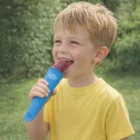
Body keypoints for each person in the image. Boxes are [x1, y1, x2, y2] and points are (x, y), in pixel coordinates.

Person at [26, 2, 135, 140]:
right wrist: (38, 106)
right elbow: (36, 138)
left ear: (98, 54)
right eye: (58, 41)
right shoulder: (53, 92)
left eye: (74, 42)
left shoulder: (111, 100)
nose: (62, 49)